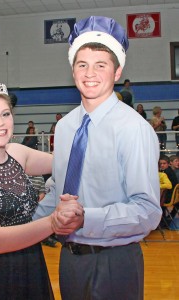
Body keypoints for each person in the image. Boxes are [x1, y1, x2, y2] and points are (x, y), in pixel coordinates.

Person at [34, 16, 161, 300]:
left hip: (115, 261)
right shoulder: (65, 127)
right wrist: (23, 226)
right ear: (73, 70)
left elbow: (147, 210)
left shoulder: (133, 128)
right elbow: (60, 191)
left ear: (117, 73)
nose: (90, 73)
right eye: (82, 64)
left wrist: (84, 219)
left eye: (100, 65)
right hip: (70, 260)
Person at [0, 77, 83, 300]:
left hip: (29, 259)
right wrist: (53, 222)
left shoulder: (17, 153)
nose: (0, 123)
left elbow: (67, 163)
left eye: (5, 114)